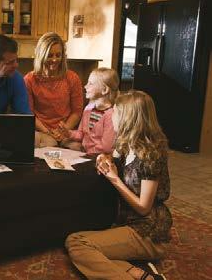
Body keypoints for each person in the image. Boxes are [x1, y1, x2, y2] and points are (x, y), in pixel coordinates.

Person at [65, 90, 172, 280]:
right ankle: (138, 274)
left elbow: (143, 208)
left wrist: (114, 179)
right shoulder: (127, 142)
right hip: (126, 222)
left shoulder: (150, 155)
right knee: (89, 246)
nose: (112, 115)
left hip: (148, 231)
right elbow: (111, 156)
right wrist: (103, 158)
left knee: (77, 243)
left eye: (116, 112)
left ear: (129, 118)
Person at [24, 32, 83, 148]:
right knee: (49, 144)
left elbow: (76, 112)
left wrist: (64, 130)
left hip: (66, 129)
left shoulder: (72, 78)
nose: (55, 60)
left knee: (76, 147)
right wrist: (47, 131)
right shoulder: (29, 79)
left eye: (58, 55)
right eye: (50, 55)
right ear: (41, 55)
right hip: (41, 130)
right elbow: (29, 114)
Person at [59, 67, 119, 154]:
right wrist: (68, 133)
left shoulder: (111, 115)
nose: (85, 86)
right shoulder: (88, 109)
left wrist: (86, 153)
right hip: (85, 153)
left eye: (90, 83)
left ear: (104, 90)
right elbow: (81, 134)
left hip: (98, 157)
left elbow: (107, 147)